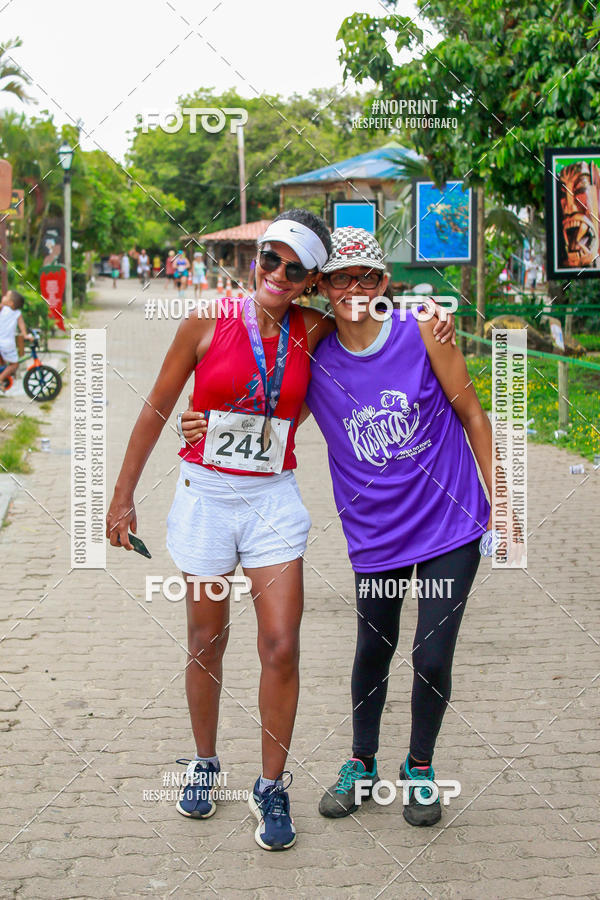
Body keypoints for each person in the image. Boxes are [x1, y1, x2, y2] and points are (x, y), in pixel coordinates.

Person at [175, 221, 458, 841]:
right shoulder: (264, 332)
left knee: (392, 652)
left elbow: (464, 404)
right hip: (299, 515)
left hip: (388, 515)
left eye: (366, 278)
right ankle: (237, 763)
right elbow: (256, 415)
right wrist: (193, 428)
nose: (353, 289)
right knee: (223, 640)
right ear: (321, 286)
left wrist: (433, 311)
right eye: (339, 279)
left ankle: (374, 774)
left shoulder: (372, 329)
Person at [0, 290, 30, 390]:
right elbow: (22, 325)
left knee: (4, 363)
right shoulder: (17, 313)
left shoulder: (2, 308)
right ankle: (1, 379)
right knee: (14, 365)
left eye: (6, 296)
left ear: (10, 303)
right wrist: (25, 335)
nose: (3, 297)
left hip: (2, 343)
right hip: (7, 344)